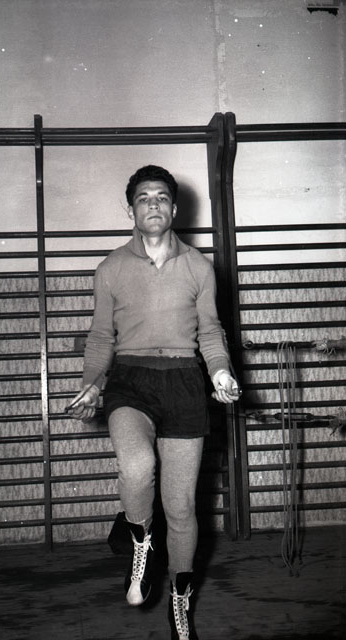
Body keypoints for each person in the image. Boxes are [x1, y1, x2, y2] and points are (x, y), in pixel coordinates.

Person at [67, 165, 240, 640]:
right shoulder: (110, 269)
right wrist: (92, 384)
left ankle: (180, 603)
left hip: (184, 381)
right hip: (131, 382)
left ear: (174, 208)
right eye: (143, 198)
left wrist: (221, 371)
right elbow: (101, 337)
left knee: (181, 508)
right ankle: (141, 541)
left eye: (161, 197)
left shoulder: (198, 267)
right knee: (137, 467)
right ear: (131, 210)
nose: (153, 204)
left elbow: (210, 331)